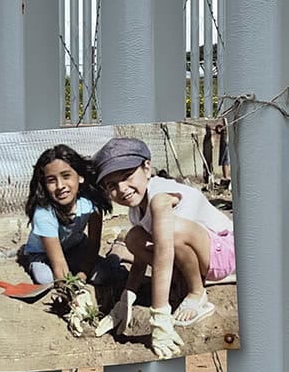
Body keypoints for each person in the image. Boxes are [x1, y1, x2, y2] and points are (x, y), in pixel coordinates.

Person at [92, 137, 235, 359]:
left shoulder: (160, 197)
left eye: (127, 176)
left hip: (224, 252)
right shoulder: (135, 210)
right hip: (199, 252)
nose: (122, 189)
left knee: (173, 232)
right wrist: (126, 297)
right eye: (112, 186)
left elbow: (164, 251)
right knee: (133, 238)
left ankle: (198, 294)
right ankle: (183, 282)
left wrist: (159, 316)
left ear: (146, 168)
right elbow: (139, 258)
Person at [19, 144, 112, 285]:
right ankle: (26, 257)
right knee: (46, 280)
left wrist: (83, 274)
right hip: (42, 254)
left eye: (66, 176)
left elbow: (93, 243)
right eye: (51, 180)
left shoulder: (91, 203)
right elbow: (59, 265)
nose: (60, 186)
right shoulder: (44, 213)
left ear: (80, 177)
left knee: (101, 275)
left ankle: (119, 250)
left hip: (75, 246)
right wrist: (70, 288)